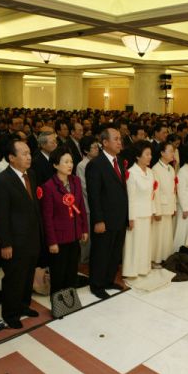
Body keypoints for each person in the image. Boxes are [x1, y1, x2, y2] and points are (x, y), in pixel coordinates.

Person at [0, 140, 42, 329]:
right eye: (23, 154)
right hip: (14, 240)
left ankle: (23, 305)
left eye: (29, 153)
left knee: (28, 275)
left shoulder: (31, 175)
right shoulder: (2, 181)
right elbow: (0, 216)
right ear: (11, 158)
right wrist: (5, 244)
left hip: (32, 237)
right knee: (14, 278)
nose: (29, 157)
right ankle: (11, 313)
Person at [86, 128, 128, 299]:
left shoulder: (119, 161)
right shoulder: (95, 165)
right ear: (104, 142)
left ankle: (109, 280)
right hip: (104, 218)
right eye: (116, 139)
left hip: (119, 216)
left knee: (115, 252)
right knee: (101, 252)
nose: (120, 142)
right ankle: (97, 285)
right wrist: (98, 220)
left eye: (120, 139)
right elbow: (94, 196)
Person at [40, 147, 88, 296]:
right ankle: (58, 306)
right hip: (59, 239)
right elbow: (47, 218)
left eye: (71, 161)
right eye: (66, 162)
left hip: (74, 234)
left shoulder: (76, 181)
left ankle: (70, 302)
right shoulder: (48, 187)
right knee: (58, 274)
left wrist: (84, 229)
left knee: (72, 271)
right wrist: (51, 242)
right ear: (55, 165)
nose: (70, 165)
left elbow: (81, 206)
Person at [123, 141, 155, 277]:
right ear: (138, 156)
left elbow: (152, 194)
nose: (150, 157)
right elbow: (130, 197)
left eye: (150, 154)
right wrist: (130, 218)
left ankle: (143, 268)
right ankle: (131, 270)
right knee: (134, 243)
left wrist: (153, 211)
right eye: (146, 154)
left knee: (144, 242)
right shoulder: (132, 173)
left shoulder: (150, 172)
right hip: (136, 214)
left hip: (147, 212)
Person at [151, 141, 176, 266]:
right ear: (162, 153)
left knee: (167, 234)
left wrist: (174, 205)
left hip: (169, 205)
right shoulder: (155, 169)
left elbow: (173, 189)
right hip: (161, 206)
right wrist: (157, 211)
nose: (173, 154)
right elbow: (155, 193)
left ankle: (166, 257)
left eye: (173, 151)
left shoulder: (171, 169)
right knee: (159, 235)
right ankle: (156, 259)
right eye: (170, 151)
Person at [76, 136, 99, 264]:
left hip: (97, 203)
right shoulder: (81, 165)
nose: (97, 149)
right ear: (86, 151)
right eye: (94, 147)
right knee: (87, 235)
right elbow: (84, 187)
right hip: (87, 205)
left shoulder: (98, 162)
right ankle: (84, 261)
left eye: (97, 147)